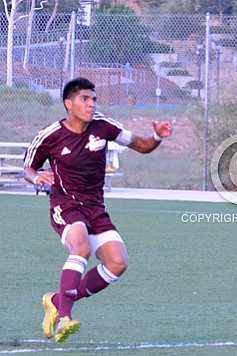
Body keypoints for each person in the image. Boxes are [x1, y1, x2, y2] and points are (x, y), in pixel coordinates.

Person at [24, 77, 173, 342]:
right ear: (69, 104)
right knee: (80, 247)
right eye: (85, 99)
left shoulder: (104, 127)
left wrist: (156, 137)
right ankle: (64, 318)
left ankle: (57, 300)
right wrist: (37, 178)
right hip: (65, 205)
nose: (91, 104)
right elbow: (28, 168)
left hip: (96, 208)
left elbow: (142, 146)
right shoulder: (50, 136)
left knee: (118, 263)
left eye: (94, 99)